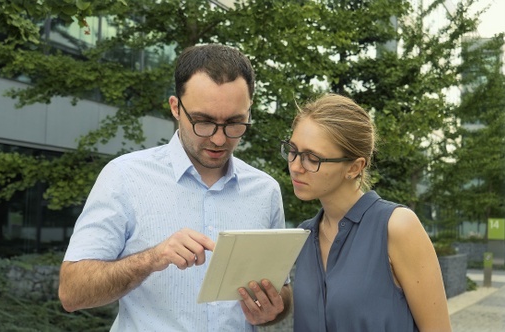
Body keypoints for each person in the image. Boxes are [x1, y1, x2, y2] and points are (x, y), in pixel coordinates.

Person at [58, 44, 291, 331]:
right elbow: (72, 292)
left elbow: (283, 293)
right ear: (175, 108)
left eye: (234, 123)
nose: (219, 139)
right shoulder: (124, 177)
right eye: (203, 122)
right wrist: (152, 258)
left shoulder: (266, 191)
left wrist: (272, 309)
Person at [284, 94, 452, 331]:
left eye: (312, 158)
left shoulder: (396, 226)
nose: (295, 166)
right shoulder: (303, 234)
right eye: (292, 150)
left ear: (354, 167)